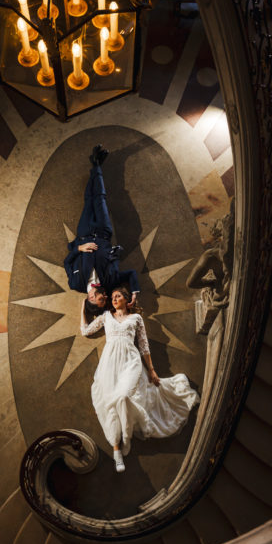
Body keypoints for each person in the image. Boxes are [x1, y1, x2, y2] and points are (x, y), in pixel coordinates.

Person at [80, 286, 200, 472]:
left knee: (123, 397)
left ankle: (126, 437)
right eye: (112, 296)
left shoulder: (135, 318)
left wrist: (151, 370)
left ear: (127, 300)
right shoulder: (106, 317)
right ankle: (117, 449)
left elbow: (144, 346)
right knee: (109, 406)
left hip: (131, 361)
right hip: (109, 364)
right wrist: (82, 308)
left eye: (118, 296)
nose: (114, 299)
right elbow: (86, 331)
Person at [64, 145, 140, 316]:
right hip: (104, 232)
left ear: (91, 299)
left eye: (101, 300)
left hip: (84, 232)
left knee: (88, 200)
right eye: (105, 299)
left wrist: (79, 249)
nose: (105, 296)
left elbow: (67, 262)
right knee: (100, 199)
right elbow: (131, 273)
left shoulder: (75, 283)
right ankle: (97, 166)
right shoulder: (110, 283)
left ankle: (96, 164)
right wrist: (135, 291)